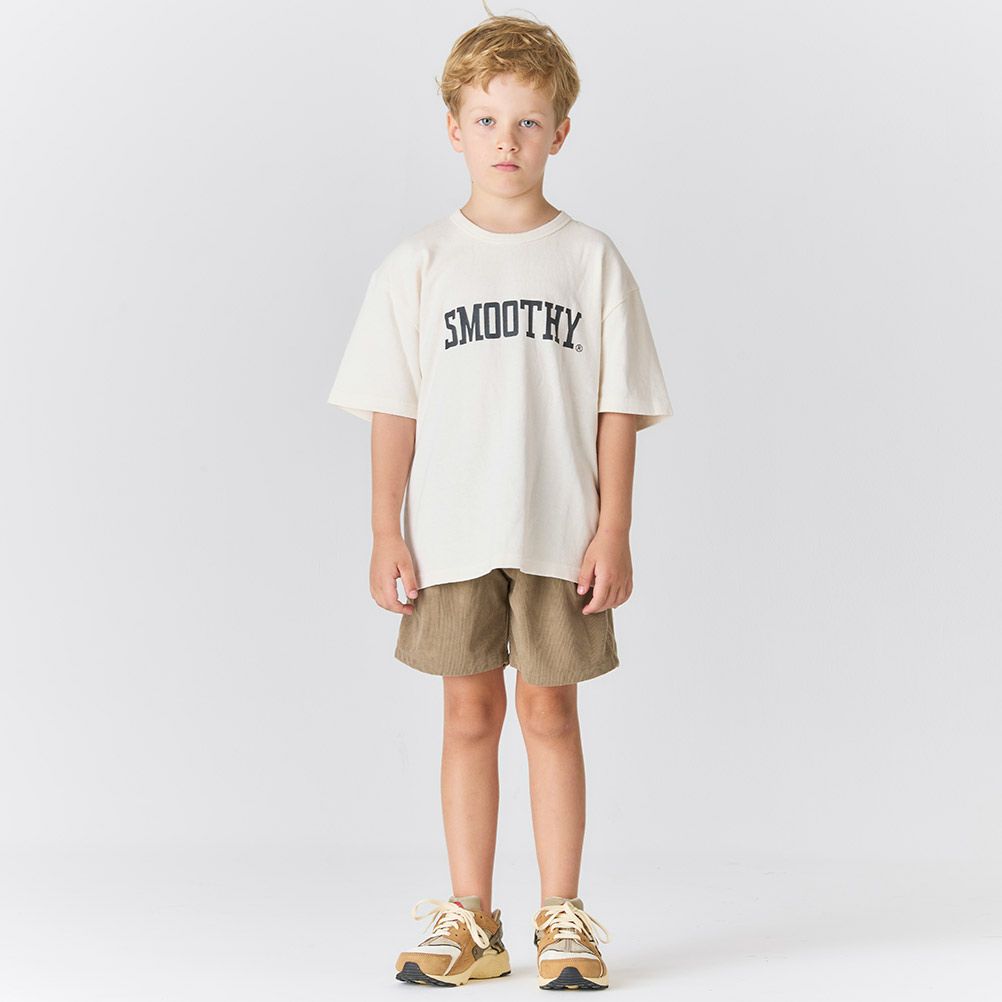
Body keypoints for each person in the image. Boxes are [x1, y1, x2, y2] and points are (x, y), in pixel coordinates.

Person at [327, 9, 672, 991]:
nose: (506, 141)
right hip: (449, 535)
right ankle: (472, 921)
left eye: (527, 122)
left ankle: (563, 914)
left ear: (561, 130)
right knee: (468, 716)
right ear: (453, 128)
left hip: (559, 532)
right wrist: (385, 530)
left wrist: (614, 527)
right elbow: (393, 408)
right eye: (486, 120)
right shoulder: (418, 263)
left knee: (551, 714)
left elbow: (618, 405)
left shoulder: (590, 259)